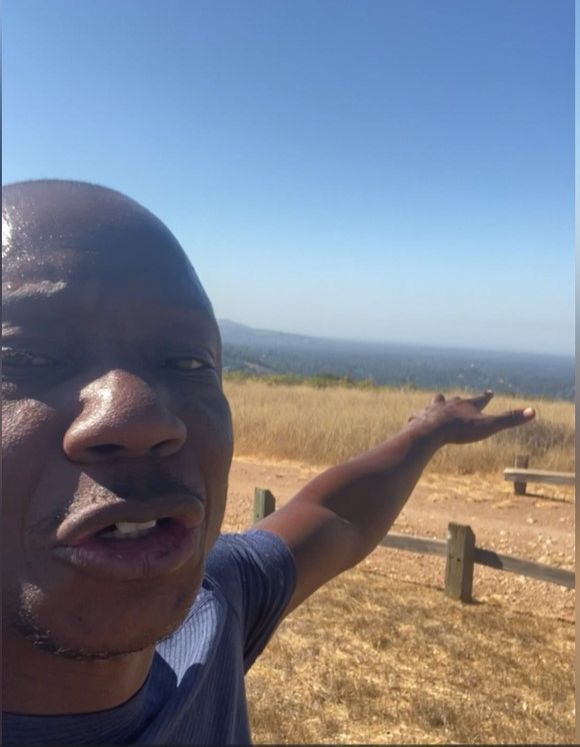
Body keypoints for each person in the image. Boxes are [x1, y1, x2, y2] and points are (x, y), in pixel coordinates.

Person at [1, 180, 535, 745]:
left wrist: (429, 431)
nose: (138, 415)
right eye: (25, 356)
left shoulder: (213, 612)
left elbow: (337, 515)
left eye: (188, 362)